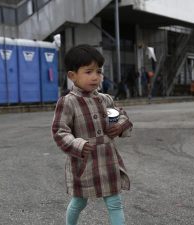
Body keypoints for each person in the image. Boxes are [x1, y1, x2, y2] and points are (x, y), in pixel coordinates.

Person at [51, 44, 133, 225]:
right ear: (72, 76)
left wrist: (119, 125)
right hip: (84, 161)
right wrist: (78, 144)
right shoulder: (68, 102)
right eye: (88, 72)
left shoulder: (105, 99)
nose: (95, 77)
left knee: (114, 202)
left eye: (99, 71)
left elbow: (119, 115)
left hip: (108, 158)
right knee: (79, 201)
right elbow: (59, 130)